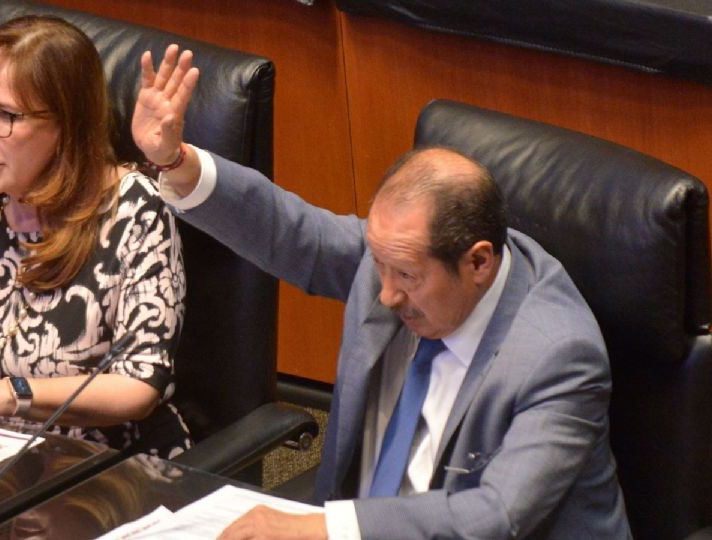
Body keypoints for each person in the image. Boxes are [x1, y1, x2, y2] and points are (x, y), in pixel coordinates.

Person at [131, 46, 630, 538]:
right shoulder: (395, 258)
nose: (385, 294)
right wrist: (175, 161)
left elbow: (499, 515)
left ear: (478, 262)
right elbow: (290, 231)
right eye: (379, 265)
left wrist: (326, 528)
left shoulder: (558, 357)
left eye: (407, 277)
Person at [0, 16, 190, 460]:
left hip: (101, 468)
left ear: (66, 123)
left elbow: (138, 385)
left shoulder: (135, 209)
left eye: (4, 115)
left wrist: (8, 394)